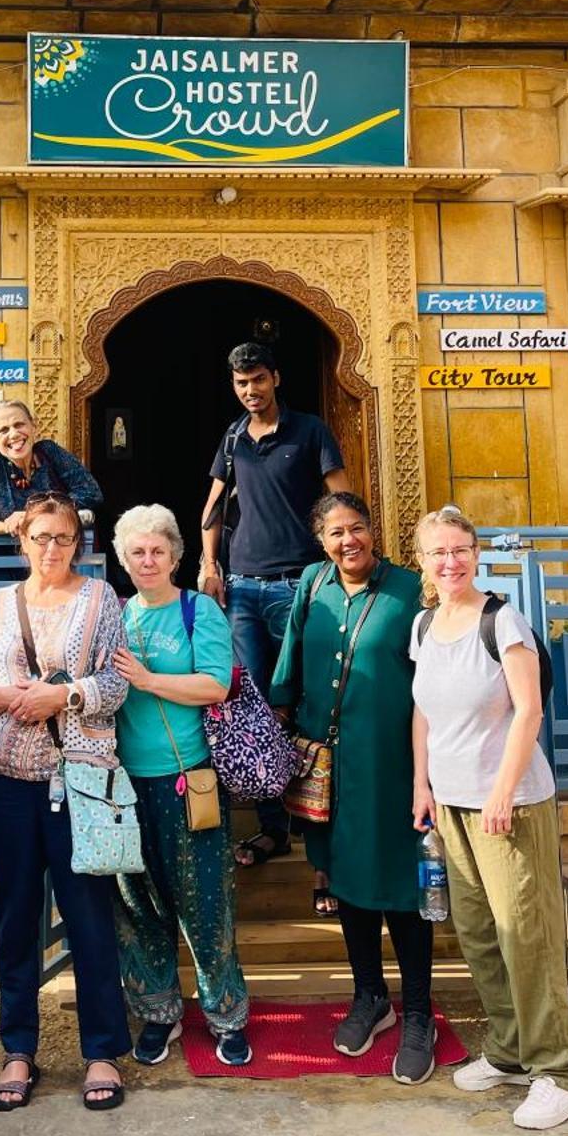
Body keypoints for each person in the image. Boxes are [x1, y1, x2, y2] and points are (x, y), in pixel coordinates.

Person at [411, 504, 568, 1131]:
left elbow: (529, 711)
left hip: (507, 803)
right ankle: (510, 1051)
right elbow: (423, 712)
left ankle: (556, 1072)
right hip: (452, 803)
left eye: (459, 549)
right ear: (423, 562)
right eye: (438, 552)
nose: (449, 561)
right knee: (480, 933)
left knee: (526, 935)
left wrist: (503, 790)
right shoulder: (426, 623)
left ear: (476, 553)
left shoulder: (502, 621)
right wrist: (421, 783)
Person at [0, 491, 132, 1110]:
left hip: (82, 780)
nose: (53, 549)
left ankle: (102, 1052)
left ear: (78, 545)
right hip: (9, 779)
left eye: (64, 539)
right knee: (14, 917)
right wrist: (9, 699)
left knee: (89, 914)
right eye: (41, 538)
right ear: (23, 541)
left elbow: (116, 684)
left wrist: (62, 699)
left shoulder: (99, 599)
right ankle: (17, 1049)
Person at [270, 492, 438, 1085]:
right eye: (336, 532)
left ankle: (419, 1012)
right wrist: (280, 728)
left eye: (358, 528)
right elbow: (291, 657)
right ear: (321, 540)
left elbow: (438, 676)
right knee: (345, 881)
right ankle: (371, 997)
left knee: (399, 887)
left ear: (374, 531)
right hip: (328, 765)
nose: (350, 541)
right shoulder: (312, 585)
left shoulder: (412, 590)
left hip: (393, 766)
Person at [198, 341, 351, 877]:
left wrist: (341, 563)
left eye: (258, 380)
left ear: (276, 378)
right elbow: (214, 507)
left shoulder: (311, 432)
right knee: (255, 706)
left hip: (299, 584)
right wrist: (208, 564)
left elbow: (341, 503)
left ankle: (321, 839)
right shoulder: (234, 436)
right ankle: (271, 827)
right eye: (241, 384)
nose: (250, 391)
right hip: (242, 589)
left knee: (307, 703)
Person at [110, 503, 251, 1067]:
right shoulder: (114, 615)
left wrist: (147, 679)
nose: (147, 561)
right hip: (124, 784)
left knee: (205, 902)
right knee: (138, 904)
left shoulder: (199, 613)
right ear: (123, 559)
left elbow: (215, 686)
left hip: (189, 780)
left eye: (157, 551)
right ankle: (159, 1013)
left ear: (175, 555)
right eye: (137, 552)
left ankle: (226, 1015)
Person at [0, 398, 104, 546]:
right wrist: (6, 526)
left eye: (19, 424)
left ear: (34, 427)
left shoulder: (49, 452)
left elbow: (92, 493)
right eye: (3, 430)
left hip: (50, 552)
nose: (13, 434)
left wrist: (34, 515)